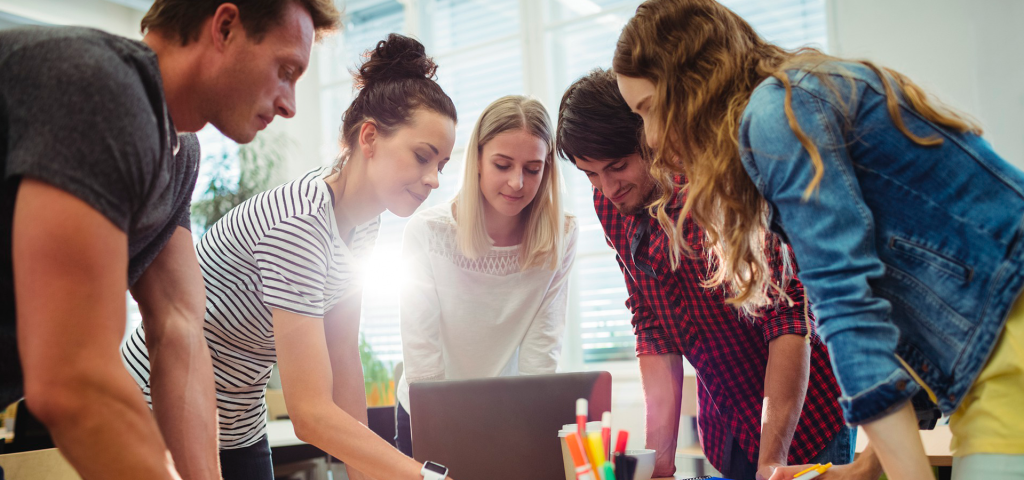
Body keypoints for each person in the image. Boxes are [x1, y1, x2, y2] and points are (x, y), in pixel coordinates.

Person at [613, 1, 1024, 479]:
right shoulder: (801, 98)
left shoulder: (777, 117)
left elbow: (849, 310)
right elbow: (905, 307)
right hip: (990, 362)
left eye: (647, 109)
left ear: (689, 85)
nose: (652, 136)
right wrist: (859, 471)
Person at [0, 1, 339, 478]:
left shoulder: (177, 153)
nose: (289, 103)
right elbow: (73, 378)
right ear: (224, 27)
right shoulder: (98, 86)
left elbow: (180, 330)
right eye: (285, 70)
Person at [121, 33, 458, 480]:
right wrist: (427, 477)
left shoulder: (364, 222)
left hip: (239, 422)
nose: (434, 179)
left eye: (442, 165)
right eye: (423, 157)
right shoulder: (298, 222)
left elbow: (343, 364)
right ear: (370, 137)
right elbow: (310, 411)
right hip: (155, 406)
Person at [557, 69, 866, 480]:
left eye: (617, 166)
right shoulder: (612, 201)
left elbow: (786, 317)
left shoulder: (717, 186)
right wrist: (659, 461)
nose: (608, 188)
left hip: (803, 421)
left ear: (649, 136)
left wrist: (772, 459)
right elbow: (652, 326)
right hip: (726, 425)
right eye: (590, 174)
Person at [395, 95, 578, 456]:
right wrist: (448, 434)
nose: (517, 183)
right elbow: (422, 356)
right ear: (477, 161)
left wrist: (527, 431)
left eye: (532, 168)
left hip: (509, 411)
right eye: (502, 164)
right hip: (428, 410)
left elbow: (542, 353)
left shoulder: (562, 235)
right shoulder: (428, 232)